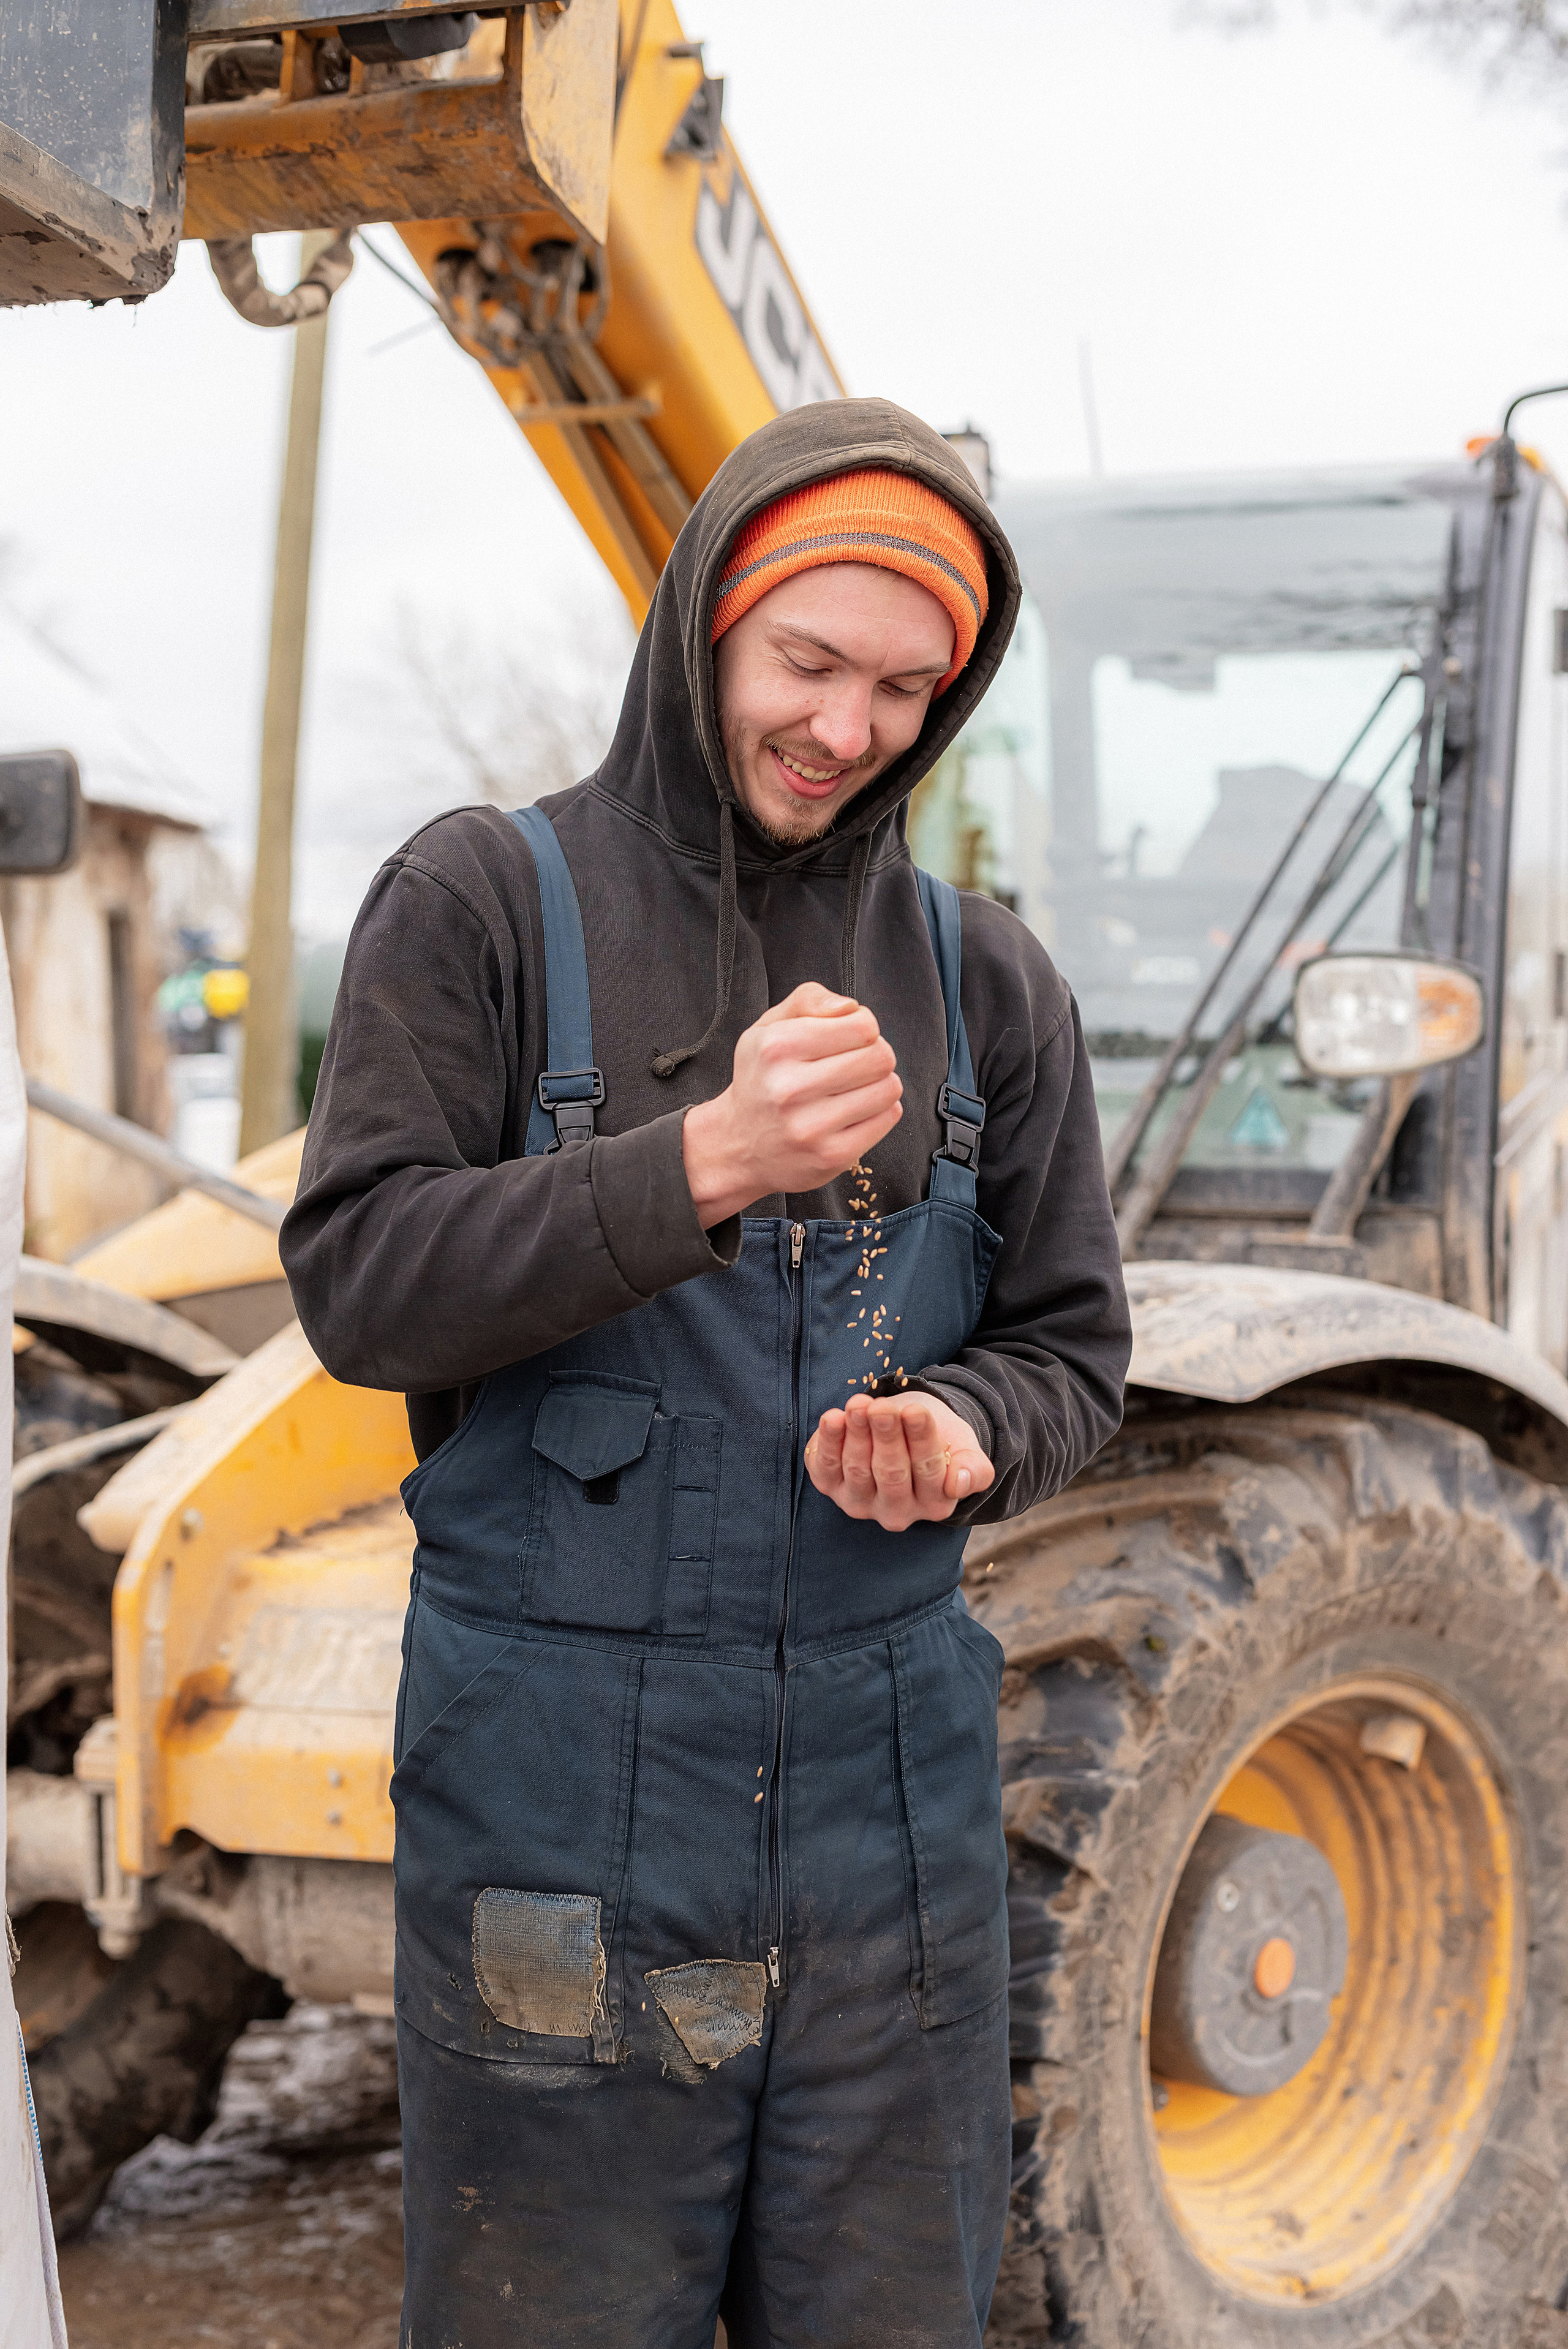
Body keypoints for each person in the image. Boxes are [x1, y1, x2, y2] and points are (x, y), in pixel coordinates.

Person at [281, 396, 1130, 2349]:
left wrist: (968, 1430)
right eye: (809, 663)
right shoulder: (485, 905)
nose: (850, 728)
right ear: (702, 631)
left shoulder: (986, 981)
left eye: (909, 686)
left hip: (893, 1844)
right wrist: (704, 1165)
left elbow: (1076, 1347)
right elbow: (357, 1282)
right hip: (560, 1823)